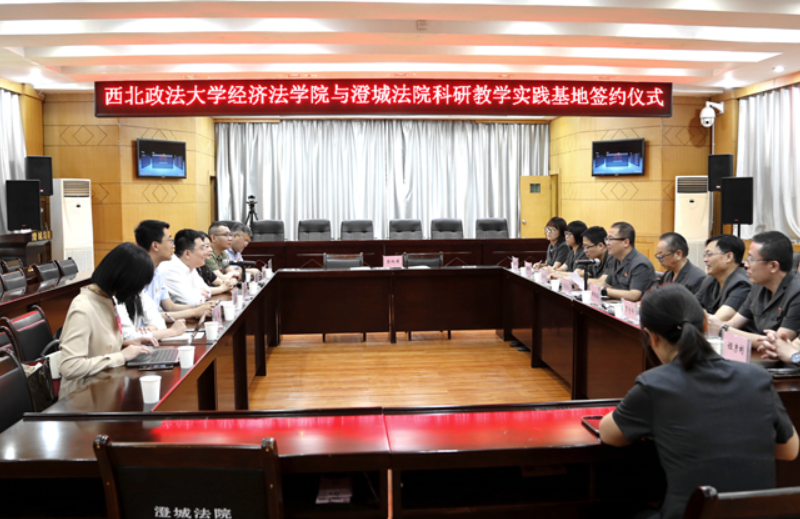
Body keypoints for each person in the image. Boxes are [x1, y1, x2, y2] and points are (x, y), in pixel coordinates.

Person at [599, 284, 798, 519]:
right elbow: (789, 450)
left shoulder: (654, 384)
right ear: (705, 323)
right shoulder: (757, 377)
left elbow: (609, 434)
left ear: (652, 337)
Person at [58, 243, 158, 393]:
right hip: (83, 397)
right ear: (124, 279)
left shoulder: (107, 299)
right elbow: (70, 367)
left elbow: (98, 345)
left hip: (106, 387)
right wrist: (121, 356)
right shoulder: (83, 308)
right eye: (136, 287)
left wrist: (128, 344)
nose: (135, 294)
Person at [707, 231, 800, 351]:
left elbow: (778, 343)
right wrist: (709, 321)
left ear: (773, 266)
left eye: (751, 259)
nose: (746, 264)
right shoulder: (758, 286)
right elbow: (734, 323)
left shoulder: (797, 292)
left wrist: (723, 329)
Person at [134, 219, 215, 322]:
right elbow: (149, 316)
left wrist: (199, 307)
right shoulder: (138, 275)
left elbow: (170, 307)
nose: (173, 246)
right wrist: (194, 311)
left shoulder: (156, 272)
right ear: (155, 246)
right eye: (169, 240)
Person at [588, 221, 657, 302]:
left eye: (610, 239)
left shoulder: (640, 264)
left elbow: (634, 296)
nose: (607, 243)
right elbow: (606, 284)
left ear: (626, 242)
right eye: (606, 239)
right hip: (615, 304)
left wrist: (604, 291)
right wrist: (583, 283)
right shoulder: (615, 259)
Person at [695, 234, 752, 321]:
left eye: (709, 254)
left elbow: (717, 320)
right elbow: (690, 306)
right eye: (705, 255)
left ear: (729, 257)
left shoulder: (742, 284)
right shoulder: (710, 279)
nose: (705, 260)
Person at [159, 229, 215, 305]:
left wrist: (194, 292)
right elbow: (192, 302)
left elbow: (208, 292)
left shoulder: (190, 265)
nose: (205, 252)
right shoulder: (172, 269)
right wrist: (198, 291)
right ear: (187, 254)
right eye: (202, 248)